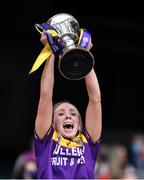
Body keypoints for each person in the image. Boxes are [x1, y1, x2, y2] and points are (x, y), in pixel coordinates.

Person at [34, 31, 102, 179]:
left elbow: (95, 100)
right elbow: (45, 97)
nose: (67, 116)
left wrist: (84, 57)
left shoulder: (88, 144)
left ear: (79, 124)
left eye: (73, 114)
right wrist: (51, 52)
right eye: (60, 113)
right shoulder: (47, 141)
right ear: (51, 124)